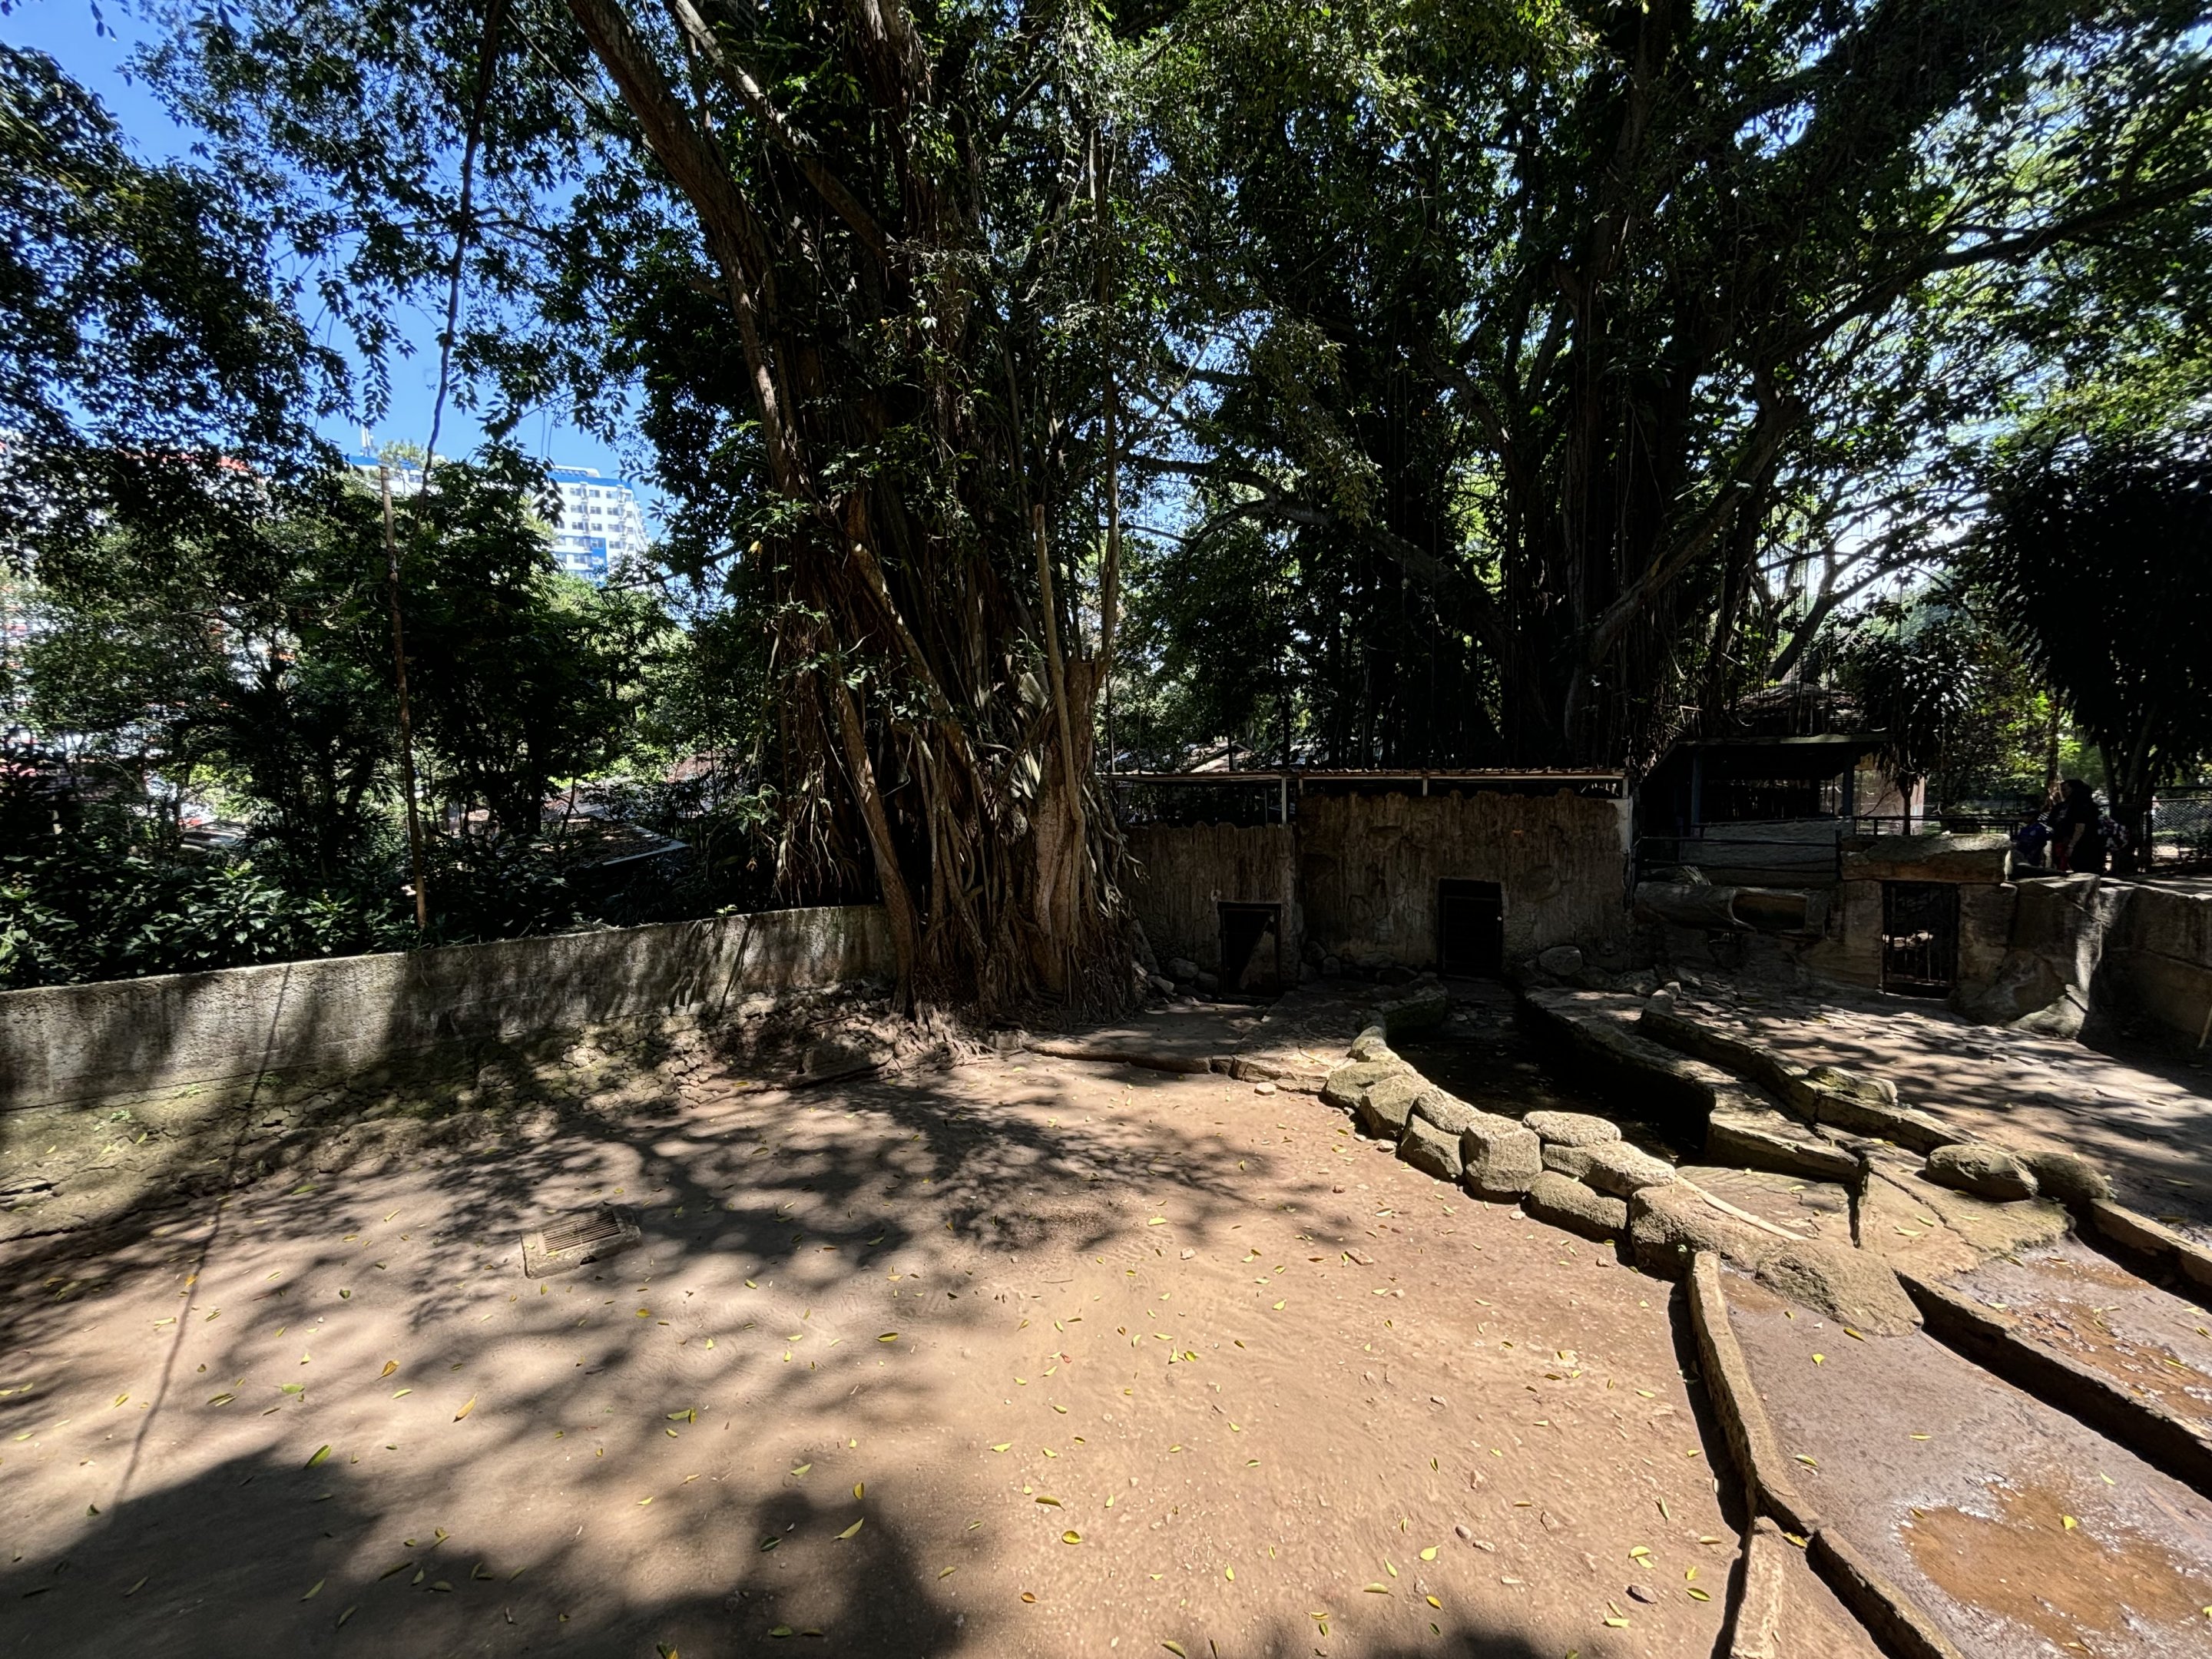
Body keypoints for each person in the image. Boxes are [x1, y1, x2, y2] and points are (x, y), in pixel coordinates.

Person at [2048, 778, 2105, 874]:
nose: (2062, 792)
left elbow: (2080, 826)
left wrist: (2071, 845)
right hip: (2063, 843)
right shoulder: (2061, 806)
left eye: (2065, 789)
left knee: (2084, 871)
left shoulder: (2085, 805)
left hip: (2084, 845)